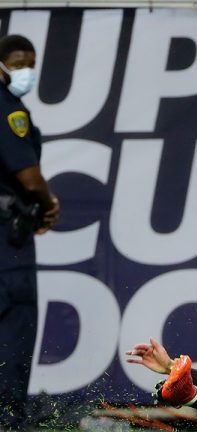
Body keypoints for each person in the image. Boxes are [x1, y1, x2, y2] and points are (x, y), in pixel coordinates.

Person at [0, 34, 60, 430]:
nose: (26, 72)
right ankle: (7, 416)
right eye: (18, 63)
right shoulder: (8, 108)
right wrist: (47, 202)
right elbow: (28, 175)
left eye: (31, 64)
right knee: (14, 324)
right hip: (7, 240)